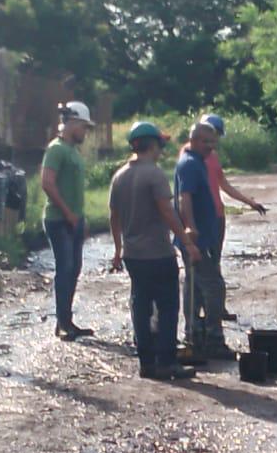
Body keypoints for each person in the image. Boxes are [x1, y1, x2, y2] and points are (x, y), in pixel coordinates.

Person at [109, 122, 201, 380]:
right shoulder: (154, 174)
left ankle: (147, 363)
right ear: (152, 145)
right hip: (157, 253)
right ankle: (167, 362)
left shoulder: (119, 176)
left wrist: (118, 251)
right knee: (168, 307)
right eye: (160, 144)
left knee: (140, 306)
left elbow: (113, 217)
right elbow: (166, 211)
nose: (162, 149)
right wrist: (187, 241)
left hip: (132, 255)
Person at [195, 113, 267, 321]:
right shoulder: (190, 156)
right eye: (211, 135)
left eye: (216, 136)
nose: (214, 140)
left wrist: (249, 202)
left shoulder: (213, 157)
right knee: (202, 266)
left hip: (217, 216)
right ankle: (202, 313)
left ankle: (216, 309)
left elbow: (224, 185)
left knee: (214, 262)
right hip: (203, 219)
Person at [174, 121, 233, 360]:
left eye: (213, 142)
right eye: (207, 142)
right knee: (214, 287)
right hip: (196, 238)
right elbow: (184, 198)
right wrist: (190, 228)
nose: (211, 147)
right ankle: (212, 339)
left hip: (202, 237)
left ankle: (194, 336)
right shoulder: (189, 164)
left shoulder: (197, 161)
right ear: (194, 140)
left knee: (195, 286)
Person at [41, 100, 94, 341]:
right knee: (65, 269)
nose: (85, 132)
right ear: (72, 123)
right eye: (83, 127)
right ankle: (62, 323)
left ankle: (67, 319)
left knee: (74, 269)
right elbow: (47, 183)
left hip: (73, 220)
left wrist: (80, 218)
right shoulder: (56, 149)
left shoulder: (72, 151)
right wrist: (68, 213)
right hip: (59, 220)